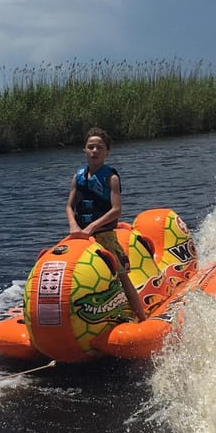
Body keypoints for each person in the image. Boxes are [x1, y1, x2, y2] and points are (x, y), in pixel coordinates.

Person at [66, 128, 147, 321]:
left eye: (99, 147)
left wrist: (91, 228)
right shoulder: (77, 176)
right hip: (80, 235)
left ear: (107, 152)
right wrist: (73, 226)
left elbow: (116, 210)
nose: (94, 151)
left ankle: (142, 317)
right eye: (90, 147)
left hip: (104, 235)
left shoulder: (111, 177)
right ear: (84, 150)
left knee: (121, 274)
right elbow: (69, 206)